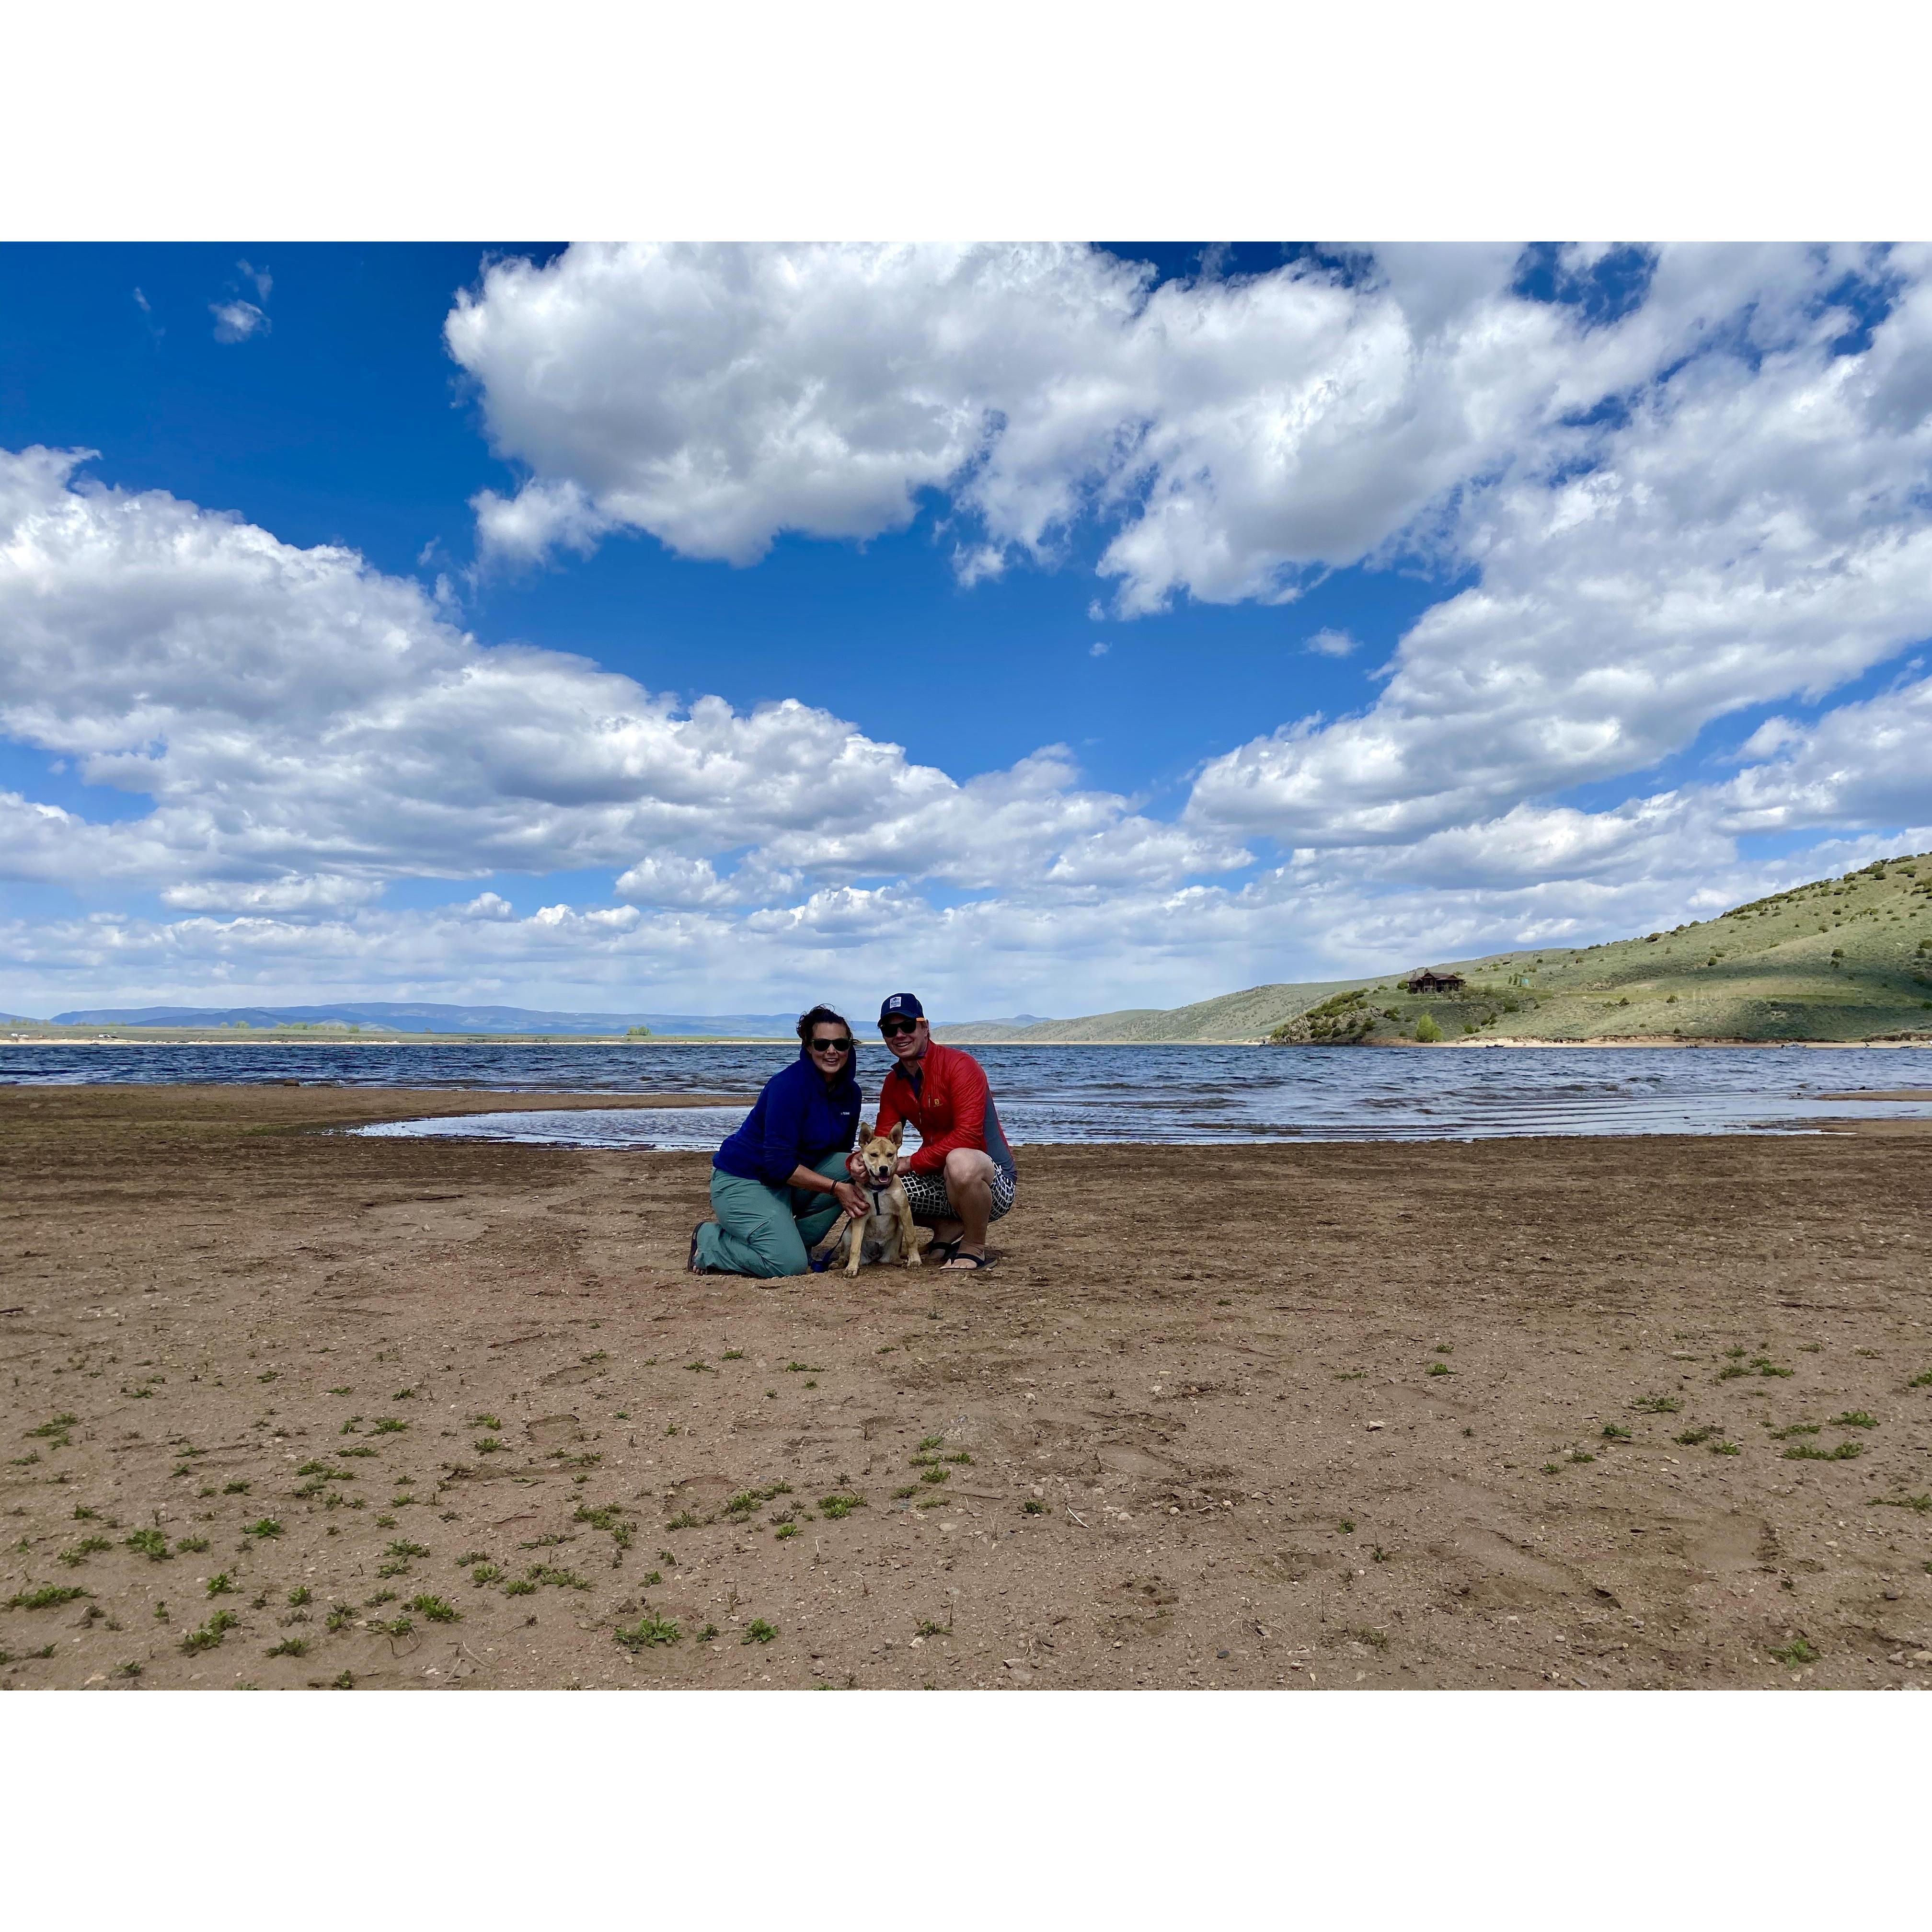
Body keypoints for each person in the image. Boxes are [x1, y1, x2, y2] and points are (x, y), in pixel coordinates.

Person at [690, 1005, 868, 1277]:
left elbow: (838, 1154)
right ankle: (711, 1242)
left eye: (840, 1044)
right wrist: (835, 1189)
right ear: (809, 1047)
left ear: (849, 1047)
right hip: (746, 1179)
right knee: (789, 1266)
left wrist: (854, 1169)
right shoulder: (788, 1087)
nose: (831, 1051)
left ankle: (791, 1242)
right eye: (822, 1044)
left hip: (787, 1183)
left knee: (853, 1165)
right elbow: (778, 1166)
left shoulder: (851, 1094)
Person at [873, 992, 1016, 1271]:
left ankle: (974, 1245)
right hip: (940, 1178)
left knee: (960, 1162)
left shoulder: (960, 1066)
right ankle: (947, 1226)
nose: (899, 1035)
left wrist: (910, 1162)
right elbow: (880, 1141)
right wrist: (856, 1162)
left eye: (908, 1026)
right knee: (872, 1180)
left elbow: (969, 1137)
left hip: (992, 1180)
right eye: (890, 1029)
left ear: (925, 1027)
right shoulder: (894, 1082)